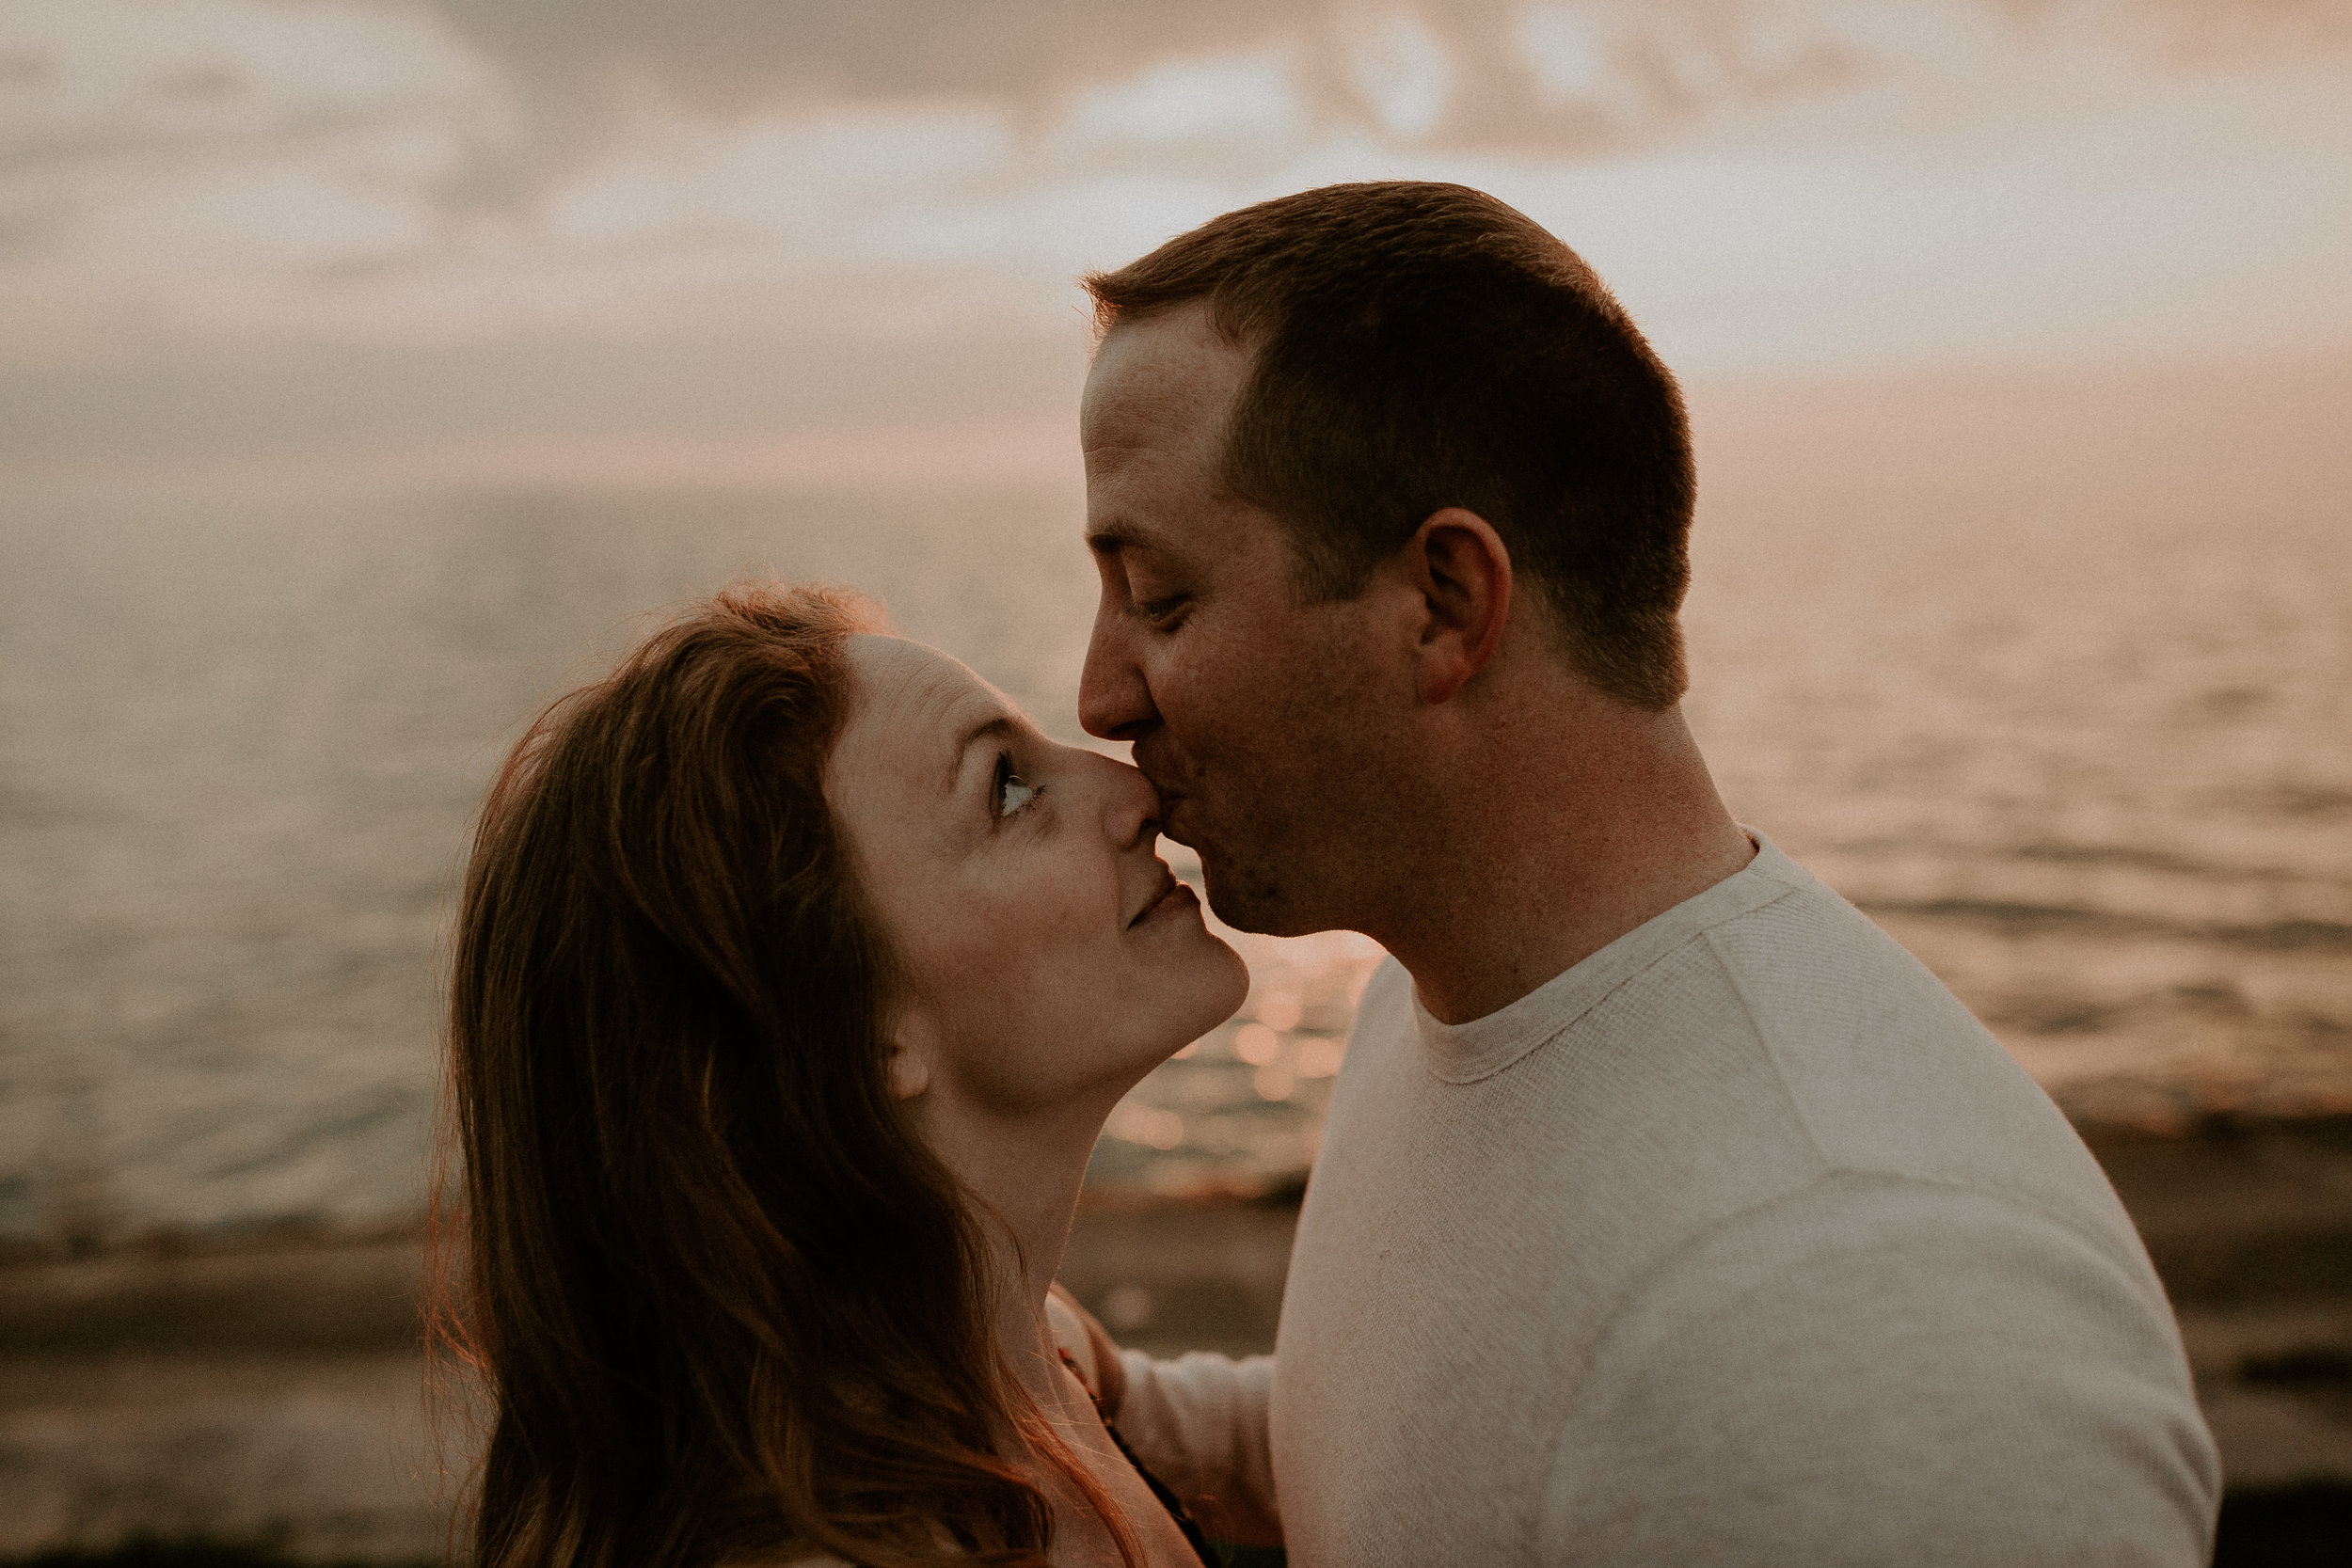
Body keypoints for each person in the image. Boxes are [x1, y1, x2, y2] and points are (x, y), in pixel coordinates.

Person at [1072, 182, 2220, 1564]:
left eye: (1161, 597)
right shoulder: (1447, 996)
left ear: (1443, 603)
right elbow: (1458, 1461)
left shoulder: (1858, 1332)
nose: (1097, 692)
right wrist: (1115, 1405)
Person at [438, 582, 1242, 1567]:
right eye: (1009, 788)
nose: (1131, 792)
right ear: (852, 1030)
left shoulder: (1017, 1345)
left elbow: (1288, 1438)